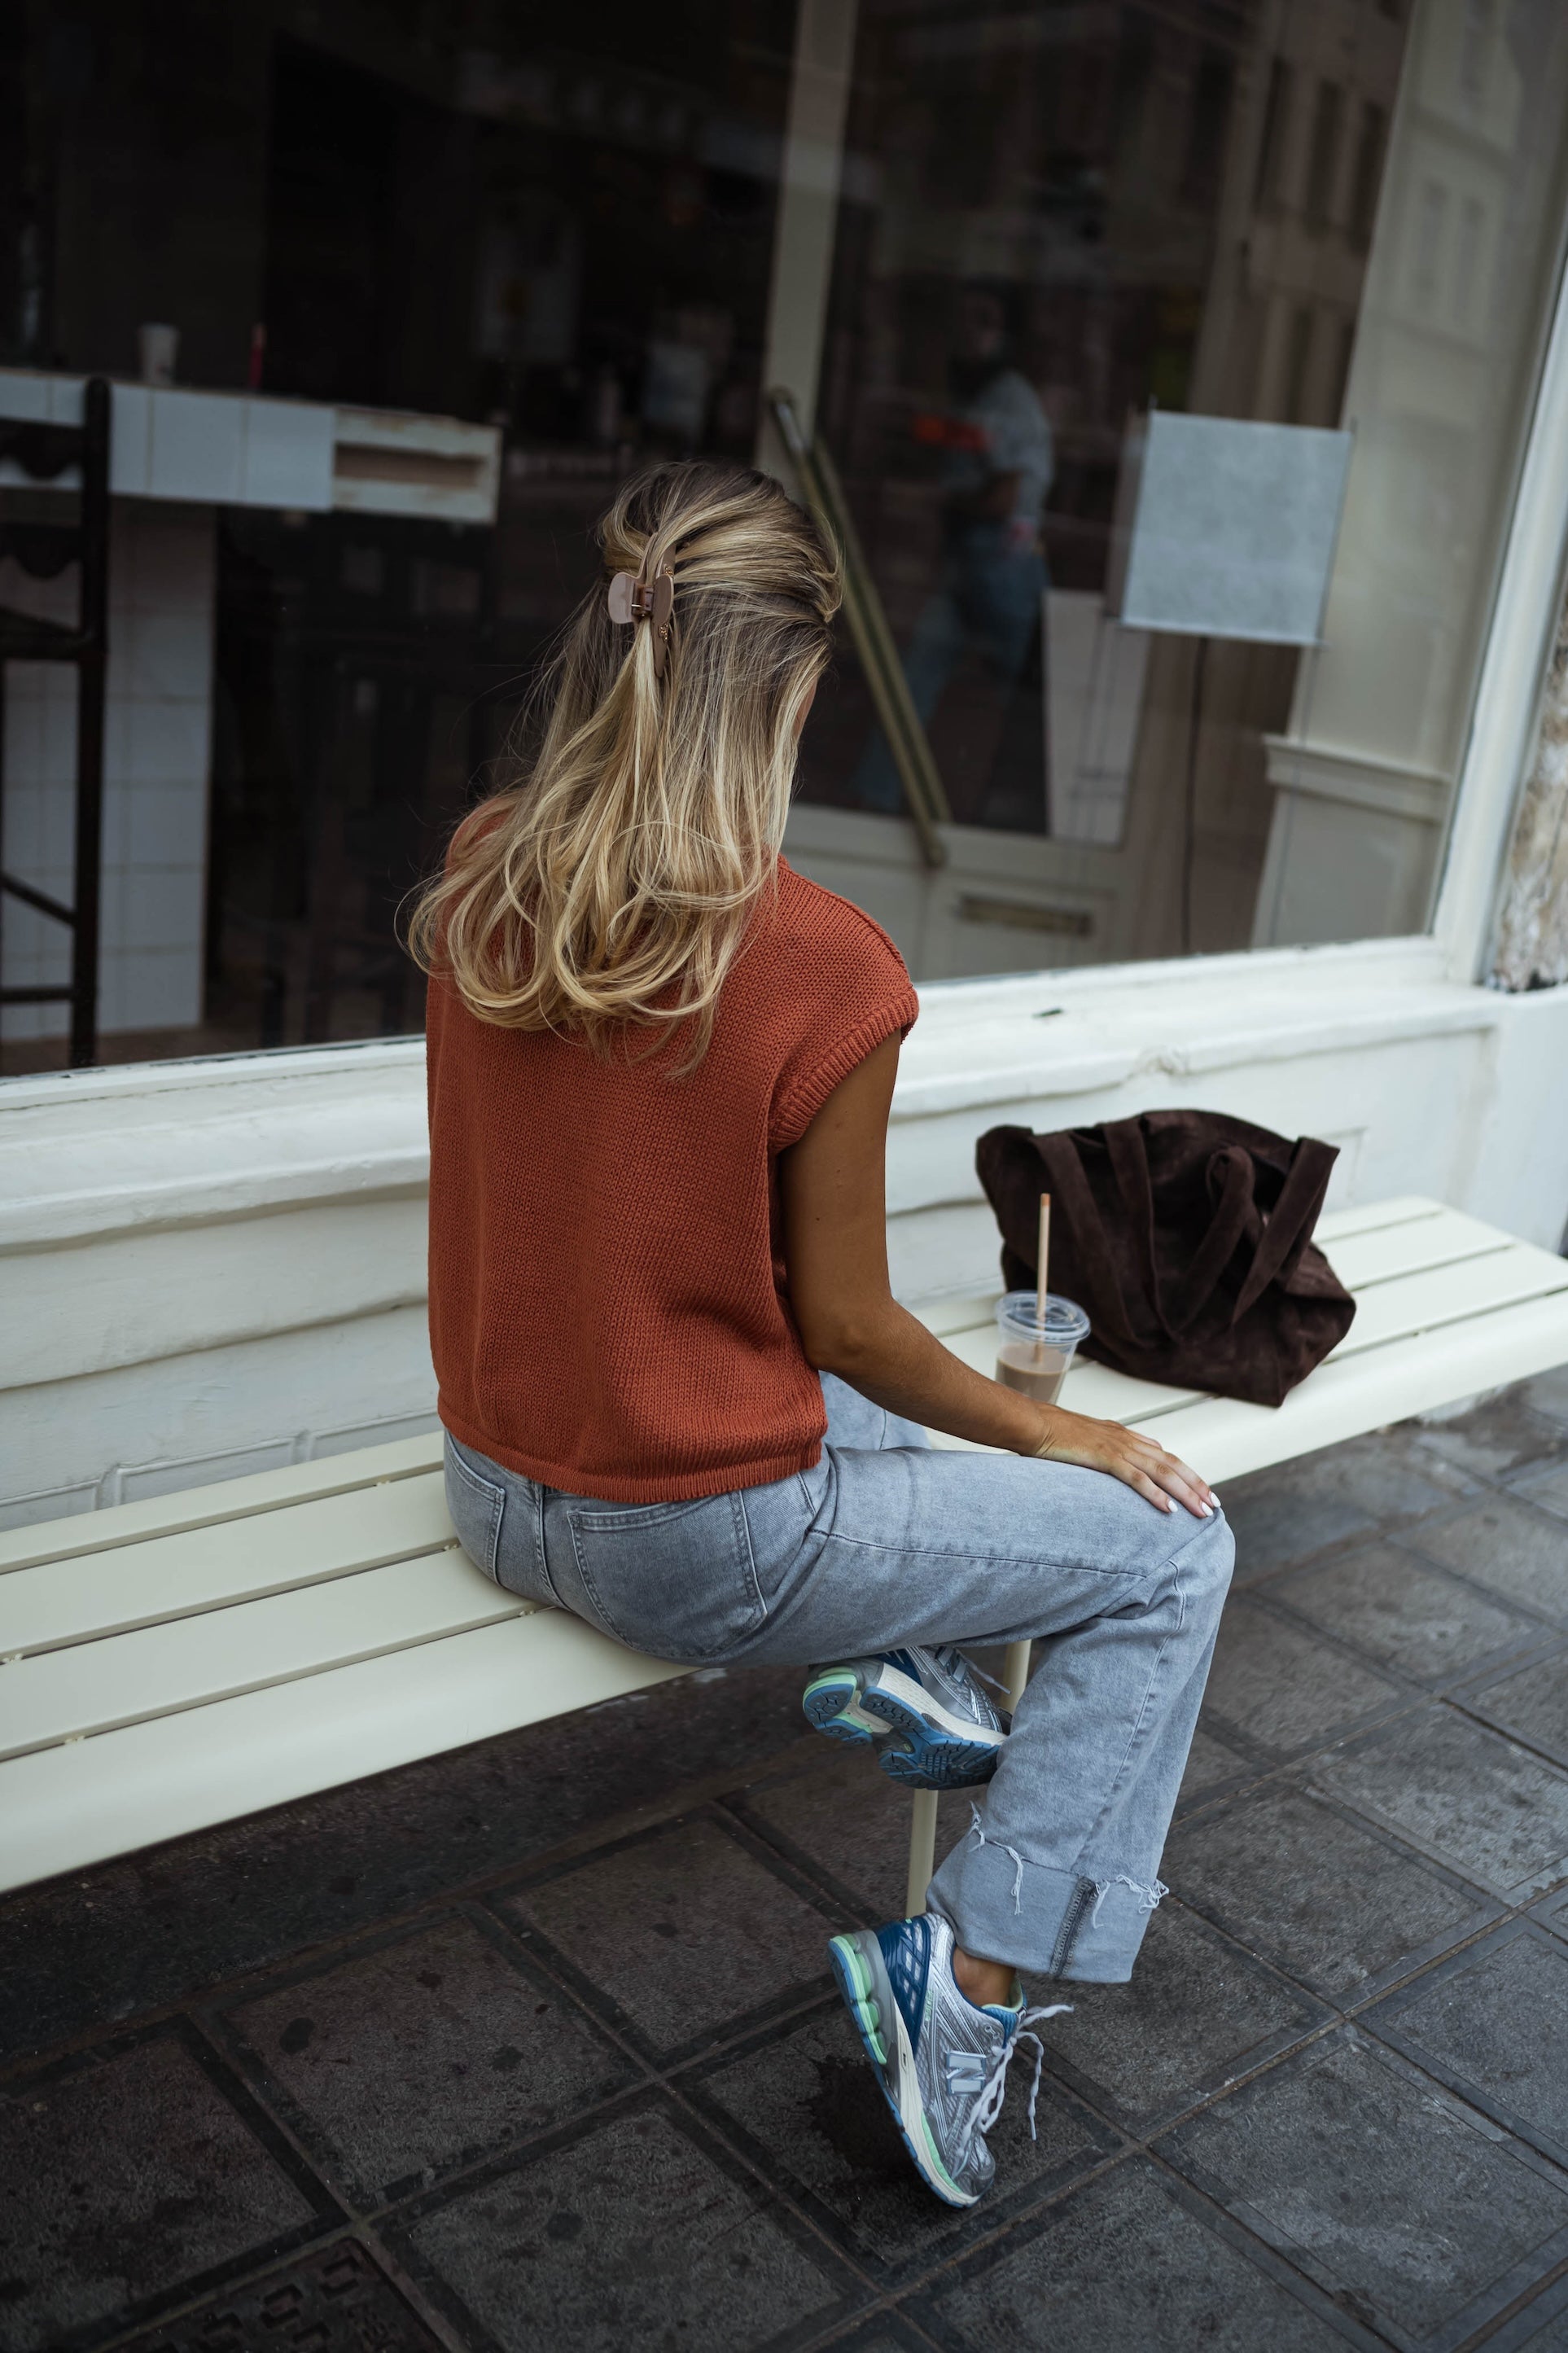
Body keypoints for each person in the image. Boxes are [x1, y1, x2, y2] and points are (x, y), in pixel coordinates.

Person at [410, 460, 1232, 2211]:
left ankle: (914, 1674)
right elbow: (849, 1322)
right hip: (688, 1543)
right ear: (790, 685)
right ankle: (979, 1979)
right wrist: (1071, 1431)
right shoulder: (824, 964)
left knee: (889, 1453)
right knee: (1172, 1553)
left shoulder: (490, 867)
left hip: (493, 1482)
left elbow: (693, 1274)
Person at [854, 284, 1054, 824]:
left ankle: (1022, 811)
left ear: (1006, 332)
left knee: (1031, 698)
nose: (972, 330)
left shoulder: (1010, 397)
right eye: (964, 317)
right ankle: (876, 796)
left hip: (1003, 563)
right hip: (971, 560)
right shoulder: (974, 393)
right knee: (916, 675)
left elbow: (1005, 496)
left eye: (986, 319)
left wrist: (942, 498)